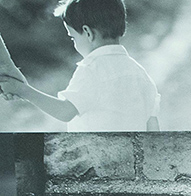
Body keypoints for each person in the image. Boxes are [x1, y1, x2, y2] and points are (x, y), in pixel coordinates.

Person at [0, 0, 160, 131]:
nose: (74, 43)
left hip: (95, 158)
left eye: (73, 38)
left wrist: (23, 90)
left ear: (88, 33)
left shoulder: (91, 69)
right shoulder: (140, 73)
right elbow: (152, 128)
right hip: (131, 159)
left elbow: (66, 111)